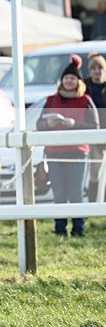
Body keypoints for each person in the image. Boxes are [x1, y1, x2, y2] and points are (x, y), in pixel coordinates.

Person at [37, 55, 99, 236]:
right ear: (62, 81)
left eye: (72, 78)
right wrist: (48, 125)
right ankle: (60, 228)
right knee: (59, 194)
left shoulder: (85, 100)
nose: (69, 81)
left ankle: (78, 228)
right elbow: (39, 125)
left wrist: (74, 124)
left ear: (78, 81)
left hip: (77, 152)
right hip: (54, 152)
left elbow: (94, 126)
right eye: (66, 78)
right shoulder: (51, 100)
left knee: (75, 193)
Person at [84, 53, 106, 202]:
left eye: (100, 68)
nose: (97, 71)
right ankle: (93, 204)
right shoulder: (85, 87)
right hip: (94, 132)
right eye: (93, 68)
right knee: (95, 170)